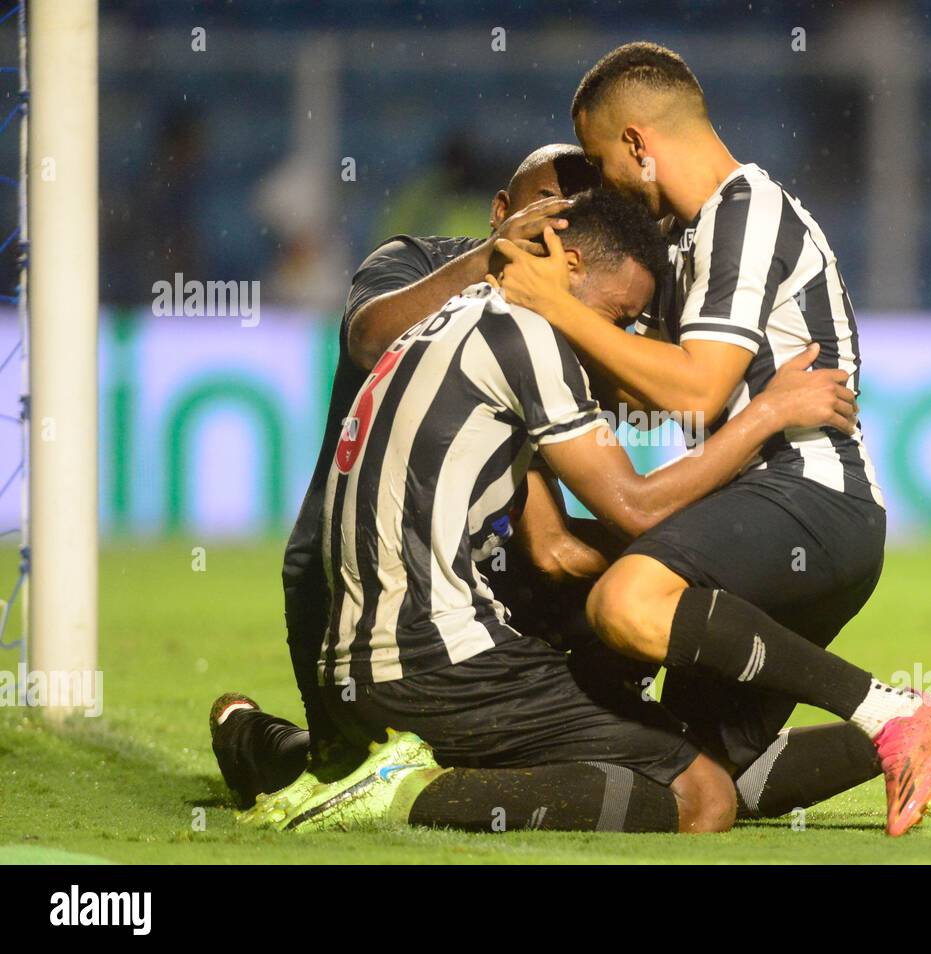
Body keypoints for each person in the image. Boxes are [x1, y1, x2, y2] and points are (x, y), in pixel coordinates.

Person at [496, 42, 931, 832]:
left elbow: (696, 386)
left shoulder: (745, 208)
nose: (602, 186)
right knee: (715, 783)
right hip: (770, 516)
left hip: (809, 498)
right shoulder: (691, 240)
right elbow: (649, 388)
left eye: (599, 158)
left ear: (637, 145)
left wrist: (556, 307)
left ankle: (887, 710)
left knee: (628, 600)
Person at [254, 188, 861, 835]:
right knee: (704, 795)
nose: (617, 337)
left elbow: (558, 534)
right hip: (435, 660)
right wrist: (769, 411)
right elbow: (633, 506)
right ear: (567, 264)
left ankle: (276, 745)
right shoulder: (529, 333)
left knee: (637, 728)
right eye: (620, 314)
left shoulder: (463, 318)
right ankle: (401, 794)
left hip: (362, 662)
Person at [211, 144, 602, 805]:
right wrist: (490, 263)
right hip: (346, 582)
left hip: (475, 581)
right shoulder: (411, 263)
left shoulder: (575, 301)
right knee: (352, 773)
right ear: (502, 212)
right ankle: (258, 742)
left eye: (577, 224)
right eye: (543, 217)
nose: (555, 241)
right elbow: (368, 338)